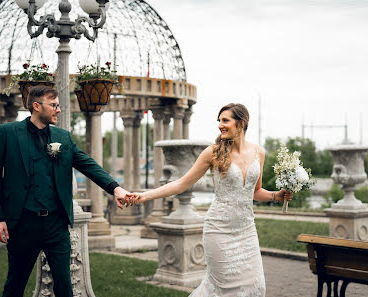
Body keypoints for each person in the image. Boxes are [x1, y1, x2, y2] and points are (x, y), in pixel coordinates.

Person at [124, 103, 292, 296]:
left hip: (246, 231)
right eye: (219, 121)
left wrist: (275, 195)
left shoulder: (258, 153)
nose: (220, 125)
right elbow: (181, 183)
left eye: (225, 120)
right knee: (223, 289)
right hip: (218, 230)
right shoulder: (213, 152)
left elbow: (254, 191)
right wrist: (144, 196)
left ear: (241, 123)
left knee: (257, 287)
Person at [0, 85, 129, 297]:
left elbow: (88, 165)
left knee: (65, 288)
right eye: (53, 105)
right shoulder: (8, 133)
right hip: (23, 224)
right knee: (15, 285)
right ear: (36, 106)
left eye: (58, 105)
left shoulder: (63, 136)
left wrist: (115, 188)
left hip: (56, 225)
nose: (58, 109)